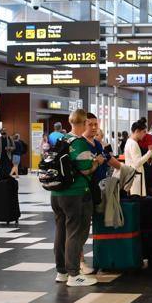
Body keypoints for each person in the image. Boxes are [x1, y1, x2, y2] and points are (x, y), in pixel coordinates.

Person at [51, 109, 104, 287]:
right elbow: (85, 169)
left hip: (57, 193)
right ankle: (74, 274)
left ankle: (62, 272)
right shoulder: (80, 142)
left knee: (61, 231)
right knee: (76, 232)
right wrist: (96, 162)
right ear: (82, 123)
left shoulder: (61, 139)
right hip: (76, 193)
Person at [124, 121, 152, 196]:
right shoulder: (133, 144)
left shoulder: (130, 141)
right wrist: (150, 152)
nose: (145, 135)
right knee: (136, 198)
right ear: (137, 131)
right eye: (144, 132)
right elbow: (137, 163)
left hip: (132, 173)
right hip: (135, 174)